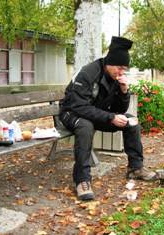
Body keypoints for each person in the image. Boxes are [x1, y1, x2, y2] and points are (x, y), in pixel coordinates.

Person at [60, 36, 156, 201]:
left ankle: (136, 167)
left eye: (124, 69)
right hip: (71, 113)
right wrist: (110, 117)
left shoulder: (114, 78)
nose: (121, 72)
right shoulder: (88, 73)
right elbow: (79, 106)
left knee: (130, 121)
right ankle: (82, 180)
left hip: (95, 114)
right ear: (109, 62)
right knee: (85, 126)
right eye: (119, 68)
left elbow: (119, 110)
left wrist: (124, 91)